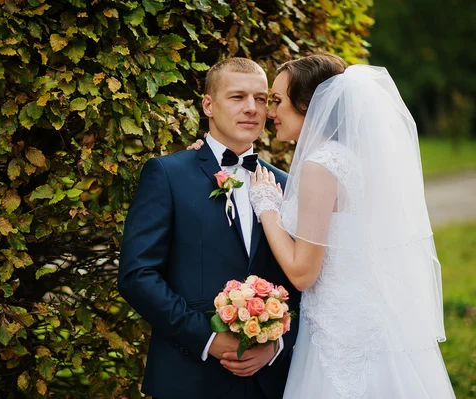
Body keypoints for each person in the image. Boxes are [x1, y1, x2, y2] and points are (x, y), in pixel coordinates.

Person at [191, 53, 456, 398]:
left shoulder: (320, 165)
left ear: (308, 104)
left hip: (340, 337)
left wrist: (267, 207)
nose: (269, 113)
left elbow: (302, 274)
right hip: (368, 321)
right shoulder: (355, 160)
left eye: (276, 100)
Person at [118, 58, 301, 399]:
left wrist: (275, 345)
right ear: (208, 105)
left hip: (270, 383)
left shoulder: (286, 185)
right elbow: (137, 275)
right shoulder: (168, 175)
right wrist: (208, 338)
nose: (252, 109)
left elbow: (306, 282)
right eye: (237, 97)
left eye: (261, 99)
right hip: (189, 377)